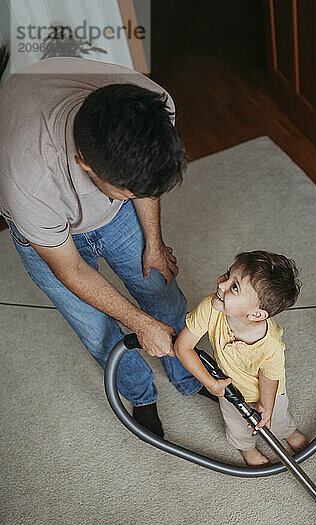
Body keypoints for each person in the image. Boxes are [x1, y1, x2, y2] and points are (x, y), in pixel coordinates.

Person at [0, 57, 207, 437]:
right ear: (84, 164)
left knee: (162, 291)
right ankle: (140, 394)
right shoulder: (27, 180)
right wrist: (141, 324)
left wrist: (154, 243)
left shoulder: (152, 102)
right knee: (97, 327)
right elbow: (71, 269)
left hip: (112, 212)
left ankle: (190, 376)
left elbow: (146, 181)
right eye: (130, 191)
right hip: (49, 235)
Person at [175, 250, 309, 466]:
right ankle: (247, 449)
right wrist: (211, 383)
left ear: (256, 314)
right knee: (237, 425)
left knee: (275, 418)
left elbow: (269, 378)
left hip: (268, 391)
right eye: (228, 275)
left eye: (234, 287)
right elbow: (183, 347)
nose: (221, 285)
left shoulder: (271, 345)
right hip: (229, 389)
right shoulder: (211, 308)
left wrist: (266, 407)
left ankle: (287, 432)